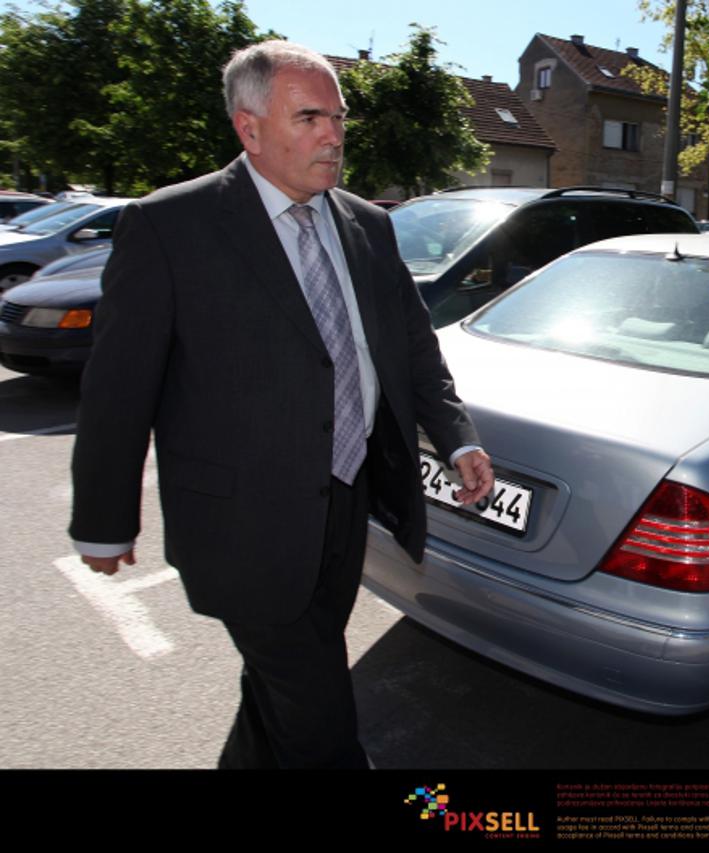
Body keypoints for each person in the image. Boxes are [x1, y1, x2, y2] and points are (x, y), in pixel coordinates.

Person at [68, 40, 494, 769]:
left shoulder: (369, 224)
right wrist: (103, 523)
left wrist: (455, 436)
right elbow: (118, 388)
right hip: (241, 527)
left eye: (337, 116)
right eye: (309, 116)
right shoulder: (171, 227)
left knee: (284, 692)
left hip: (346, 505)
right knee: (322, 723)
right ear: (249, 127)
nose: (333, 134)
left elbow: (411, 346)